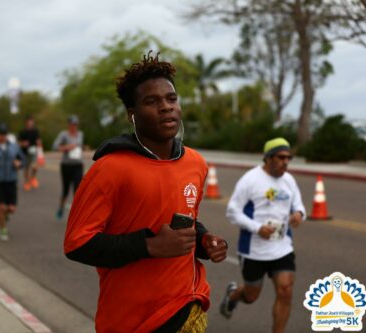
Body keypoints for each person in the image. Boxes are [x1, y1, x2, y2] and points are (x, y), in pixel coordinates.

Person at [64, 52, 228, 333]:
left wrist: (204, 241)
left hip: (189, 305)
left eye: (171, 99)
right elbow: (78, 244)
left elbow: (185, 220)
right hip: (134, 321)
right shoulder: (110, 168)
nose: (166, 107)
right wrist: (150, 246)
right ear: (132, 114)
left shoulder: (195, 163)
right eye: (152, 102)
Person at [220, 137, 305, 333]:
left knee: (285, 290)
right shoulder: (250, 180)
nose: (285, 162)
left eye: (288, 158)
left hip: (282, 246)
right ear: (268, 158)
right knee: (251, 296)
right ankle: (233, 295)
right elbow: (232, 211)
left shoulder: (289, 180)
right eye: (281, 157)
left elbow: (298, 205)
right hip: (254, 250)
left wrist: (299, 214)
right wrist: (257, 228)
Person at [52, 115, 84, 219]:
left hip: (78, 165)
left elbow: (79, 146)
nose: (74, 126)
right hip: (66, 165)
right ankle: (61, 208)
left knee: (78, 189)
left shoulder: (80, 134)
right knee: (65, 190)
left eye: (76, 124)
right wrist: (67, 147)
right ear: (69, 124)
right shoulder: (64, 135)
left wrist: (80, 150)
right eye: (73, 124)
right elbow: (55, 146)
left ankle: (77, 214)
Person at [18, 116, 43, 191]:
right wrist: (23, 143)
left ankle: (33, 178)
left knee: (35, 167)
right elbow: (18, 143)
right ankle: (27, 183)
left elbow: (38, 140)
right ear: (26, 123)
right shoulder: (22, 132)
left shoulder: (35, 131)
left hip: (33, 151)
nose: (30, 124)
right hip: (25, 152)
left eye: (31, 122)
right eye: (28, 122)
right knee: (26, 168)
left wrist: (39, 144)